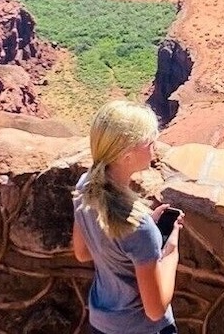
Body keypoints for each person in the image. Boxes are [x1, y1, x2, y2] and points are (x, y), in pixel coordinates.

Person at [72, 100, 181, 334]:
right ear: (126, 156)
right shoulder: (140, 228)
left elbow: (82, 253)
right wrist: (170, 252)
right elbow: (155, 310)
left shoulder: (85, 187)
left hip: (101, 325)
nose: (155, 147)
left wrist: (140, 236)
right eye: (150, 142)